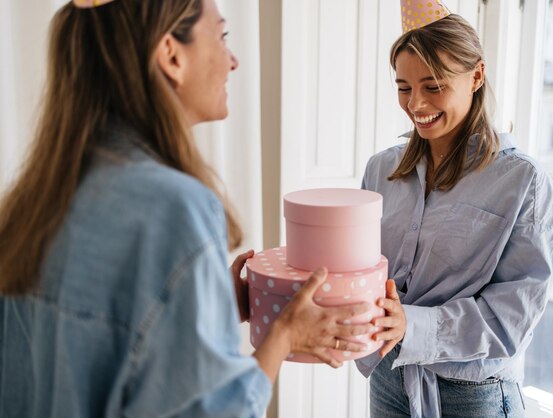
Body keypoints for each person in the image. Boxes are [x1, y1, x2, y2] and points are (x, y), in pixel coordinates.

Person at [0, 0, 374, 416]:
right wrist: (284, 336)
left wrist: (209, 308)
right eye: (222, 36)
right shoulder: (173, 208)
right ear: (172, 56)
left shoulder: (30, 203)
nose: (232, 61)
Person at [358, 1, 553, 417]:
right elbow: (362, 269)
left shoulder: (522, 182)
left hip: (471, 395)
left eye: (433, 86)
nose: (416, 103)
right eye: (403, 87)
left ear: (476, 76)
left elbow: (513, 318)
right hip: (388, 376)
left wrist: (410, 324)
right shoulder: (381, 170)